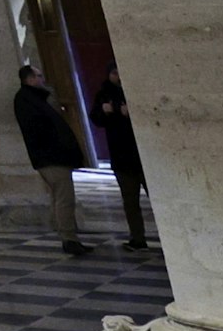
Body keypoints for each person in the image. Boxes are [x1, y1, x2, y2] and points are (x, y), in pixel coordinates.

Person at [15, 63, 91, 255]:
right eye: (39, 76)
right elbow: (40, 130)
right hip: (51, 157)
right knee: (64, 198)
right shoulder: (26, 100)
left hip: (53, 156)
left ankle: (68, 237)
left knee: (60, 197)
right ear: (30, 79)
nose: (42, 79)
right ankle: (69, 239)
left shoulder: (36, 98)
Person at [91, 73, 150, 250]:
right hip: (122, 158)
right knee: (130, 202)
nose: (118, 76)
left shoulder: (136, 90)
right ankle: (138, 238)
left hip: (143, 156)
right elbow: (96, 118)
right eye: (114, 73)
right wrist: (105, 111)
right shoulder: (103, 94)